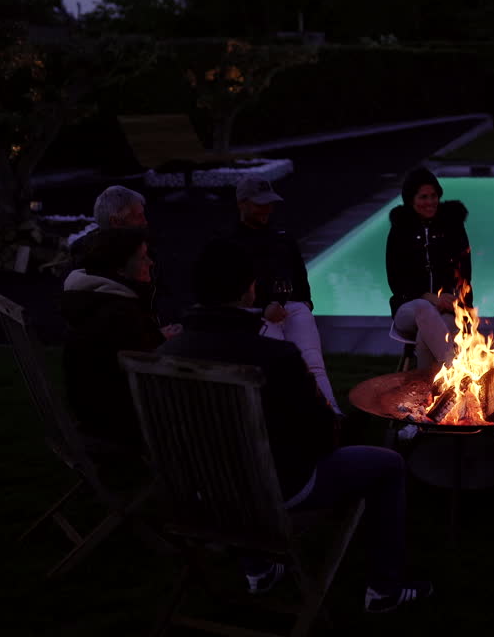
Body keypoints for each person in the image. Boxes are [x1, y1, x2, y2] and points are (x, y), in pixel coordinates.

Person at [159, 239, 433, 613]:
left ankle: (258, 569)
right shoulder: (273, 356)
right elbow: (322, 435)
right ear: (248, 290)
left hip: (201, 495)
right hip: (277, 491)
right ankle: (385, 589)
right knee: (388, 465)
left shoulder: (165, 356)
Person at [230, 175, 338, 413]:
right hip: (256, 315)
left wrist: (306, 302)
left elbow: (299, 273)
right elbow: (229, 289)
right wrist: (263, 307)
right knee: (284, 367)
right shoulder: (229, 244)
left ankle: (332, 415)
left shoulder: (281, 237)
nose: (266, 209)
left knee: (314, 364)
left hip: (292, 307)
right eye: (260, 204)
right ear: (242, 204)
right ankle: (298, 417)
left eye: (269, 203)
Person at [60, 227, 173, 450]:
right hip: (119, 425)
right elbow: (149, 373)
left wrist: (157, 335)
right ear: (120, 269)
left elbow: (110, 354)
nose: (150, 263)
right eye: (142, 257)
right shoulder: (119, 314)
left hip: (91, 414)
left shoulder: (91, 299)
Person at [385, 167, 472, 373]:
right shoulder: (400, 229)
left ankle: (427, 393)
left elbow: (464, 271)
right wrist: (430, 298)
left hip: (448, 307)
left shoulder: (453, 225)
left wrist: (453, 298)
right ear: (411, 199)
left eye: (434, 196)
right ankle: (458, 374)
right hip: (409, 309)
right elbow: (396, 280)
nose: (430, 202)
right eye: (423, 197)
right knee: (424, 310)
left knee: (434, 332)